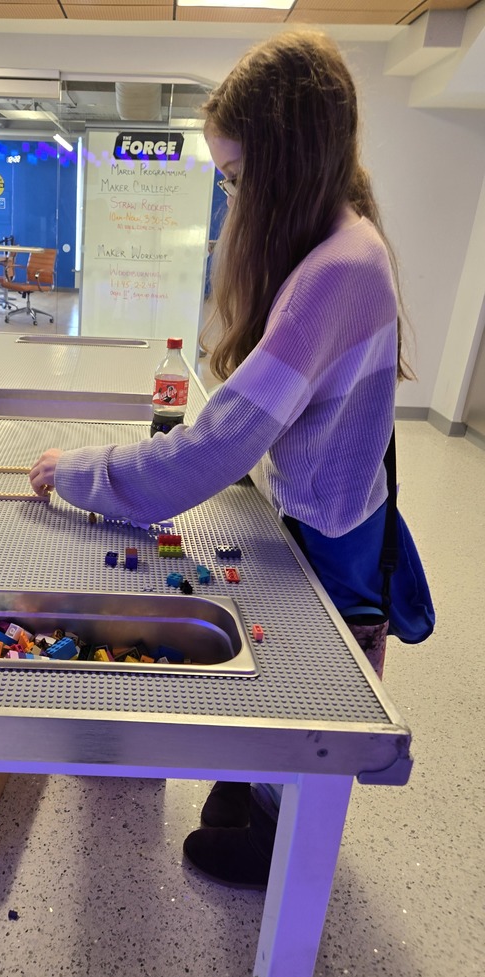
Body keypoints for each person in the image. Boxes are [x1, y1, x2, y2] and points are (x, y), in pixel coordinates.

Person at [30, 31, 431, 889]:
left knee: (312, 696)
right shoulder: (345, 233)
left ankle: (277, 840)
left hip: (332, 534)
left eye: (238, 177)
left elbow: (212, 449)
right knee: (283, 684)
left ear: (286, 167)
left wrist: (78, 472)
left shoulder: (340, 270)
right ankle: (254, 793)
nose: (230, 194)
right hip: (318, 507)